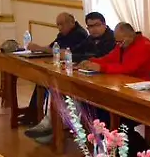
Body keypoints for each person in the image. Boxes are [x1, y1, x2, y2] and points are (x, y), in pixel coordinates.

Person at [23, 12, 96, 141]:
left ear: (72, 23)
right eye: (58, 25)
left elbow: (71, 53)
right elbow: (56, 48)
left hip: (87, 76)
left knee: (57, 89)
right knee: (43, 81)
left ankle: (53, 126)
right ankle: (37, 118)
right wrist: (42, 49)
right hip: (75, 70)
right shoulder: (68, 35)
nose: (60, 28)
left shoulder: (79, 34)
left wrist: (42, 48)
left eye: (62, 24)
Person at [77, 23, 150, 81]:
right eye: (117, 42)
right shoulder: (123, 43)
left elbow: (127, 68)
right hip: (126, 81)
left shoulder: (144, 46)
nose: (118, 45)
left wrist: (101, 67)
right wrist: (91, 61)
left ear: (130, 36)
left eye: (120, 42)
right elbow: (110, 58)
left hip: (144, 84)